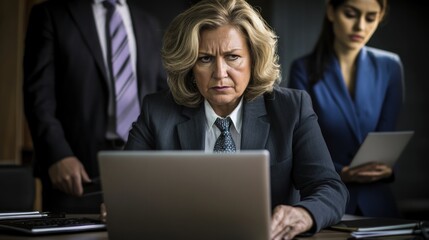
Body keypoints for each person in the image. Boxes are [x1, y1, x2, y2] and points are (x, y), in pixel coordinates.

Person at [123, 0, 348, 239]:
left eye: (232, 57)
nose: (220, 73)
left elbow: (330, 188)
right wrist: (122, 204)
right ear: (188, 65)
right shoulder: (156, 111)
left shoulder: (292, 109)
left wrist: (303, 214)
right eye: (205, 59)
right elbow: (124, 190)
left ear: (254, 58)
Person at [23, 0, 167, 213]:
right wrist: (57, 154)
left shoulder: (149, 23)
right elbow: (38, 96)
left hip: (141, 167)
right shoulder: (51, 15)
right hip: (76, 173)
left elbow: (163, 99)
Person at [288, 0, 403, 217]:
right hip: (327, 202)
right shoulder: (303, 70)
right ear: (331, 11)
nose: (360, 26)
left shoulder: (391, 66)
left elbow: (387, 136)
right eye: (351, 14)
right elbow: (298, 145)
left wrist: (387, 168)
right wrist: (341, 172)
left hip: (378, 203)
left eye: (371, 18)